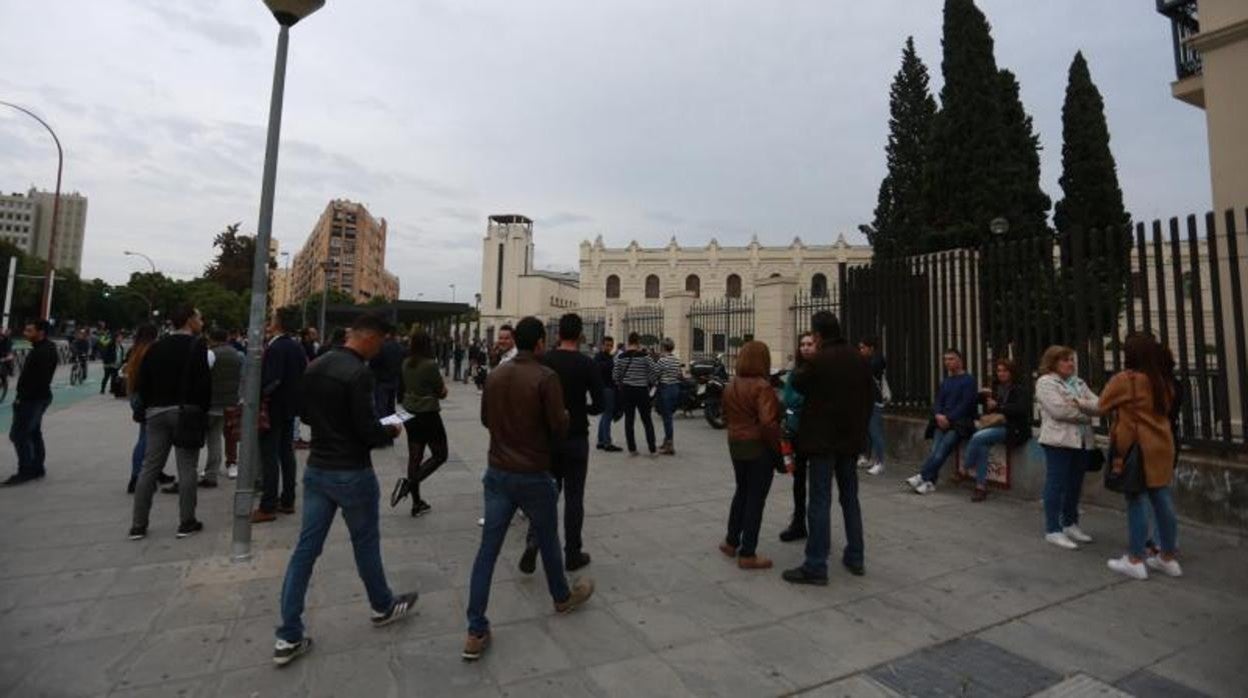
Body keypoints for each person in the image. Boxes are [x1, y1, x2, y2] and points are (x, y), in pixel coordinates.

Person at [272, 313, 419, 667]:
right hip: (351, 471)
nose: (382, 349)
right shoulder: (359, 373)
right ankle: (382, 605)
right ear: (369, 338)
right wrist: (391, 431)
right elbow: (366, 430)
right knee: (365, 543)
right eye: (381, 342)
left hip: (318, 469)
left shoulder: (316, 364)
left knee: (305, 551)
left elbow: (304, 415)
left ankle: (288, 635)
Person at [464, 316, 594, 661]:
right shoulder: (544, 377)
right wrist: (562, 418)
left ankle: (475, 630)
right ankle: (561, 597)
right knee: (548, 538)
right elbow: (558, 427)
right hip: (533, 472)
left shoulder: (495, 375)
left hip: (497, 471)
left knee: (487, 552)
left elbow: (485, 419)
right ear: (539, 343)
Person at [782, 312, 873, 585]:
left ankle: (816, 565)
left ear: (818, 335)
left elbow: (796, 382)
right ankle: (856, 556)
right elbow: (868, 398)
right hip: (850, 441)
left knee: (820, 501)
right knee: (850, 499)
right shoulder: (859, 358)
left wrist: (809, 358)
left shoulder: (818, 360)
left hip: (822, 441)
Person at [519, 313, 604, 575]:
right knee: (574, 497)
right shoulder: (587, 364)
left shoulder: (545, 360)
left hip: (549, 437)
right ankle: (573, 553)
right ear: (580, 336)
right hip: (576, 436)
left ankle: (534, 540)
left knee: (546, 494)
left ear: (557, 335)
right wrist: (584, 410)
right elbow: (600, 403)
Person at [1101, 334, 1182, 580]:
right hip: (1163, 444)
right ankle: (1168, 557)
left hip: (1137, 447)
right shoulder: (1162, 380)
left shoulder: (1126, 379)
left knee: (1136, 498)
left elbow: (1102, 404)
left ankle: (1135, 558)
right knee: (1162, 499)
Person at [128, 306, 211, 539]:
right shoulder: (197, 346)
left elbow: (144, 382)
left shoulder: (155, 347)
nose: (201, 321)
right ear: (188, 321)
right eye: (198, 317)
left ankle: (138, 525)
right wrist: (201, 412)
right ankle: (187, 521)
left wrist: (146, 409)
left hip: (155, 411)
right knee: (187, 468)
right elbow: (204, 384)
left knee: (149, 467)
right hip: (185, 413)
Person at [718, 341, 783, 570]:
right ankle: (748, 552)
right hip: (757, 446)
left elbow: (724, 416)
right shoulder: (762, 386)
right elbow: (768, 423)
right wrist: (778, 449)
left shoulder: (731, 384)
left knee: (742, 491)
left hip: (735, 443)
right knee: (756, 497)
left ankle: (731, 541)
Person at [1034, 345, 1100, 550]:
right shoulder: (1046, 382)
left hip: (1081, 440)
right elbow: (1059, 411)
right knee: (1056, 483)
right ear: (1053, 362)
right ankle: (1053, 529)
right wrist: (1086, 415)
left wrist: (1077, 402)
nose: (1070, 363)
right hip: (1058, 440)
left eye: (1071, 360)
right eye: (1065, 360)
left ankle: (1070, 523)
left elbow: (1099, 404)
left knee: (1075, 483)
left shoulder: (1078, 383)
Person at [252, 309, 307, 523]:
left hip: (272, 408)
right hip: (289, 408)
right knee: (286, 453)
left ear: (279, 323)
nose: (269, 321)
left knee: (269, 456)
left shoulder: (276, 347)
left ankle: (268, 505)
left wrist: (259, 395)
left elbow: (273, 380)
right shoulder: (296, 347)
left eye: (273, 318)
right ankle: (288, 500)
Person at [392, 326, 448, 518]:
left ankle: (417, 503)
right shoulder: (430, 365)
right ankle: (409, 483)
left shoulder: (406, 363)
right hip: (428, 415)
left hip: (410, 414)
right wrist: (441, 391)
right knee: (440, 455)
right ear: (427, 344)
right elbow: (441, 392)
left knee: (414, 457)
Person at [907, 349, 977, 494]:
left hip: (958, 424)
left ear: (960, 360)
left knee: (942, 450)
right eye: (945, 359)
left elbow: (966, 404)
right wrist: (939, 415)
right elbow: (938, 400)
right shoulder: (946, 381)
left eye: (951, 359)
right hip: (941, 422)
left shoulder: (969, 380)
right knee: (934, 451)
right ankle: (930, 482)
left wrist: (949, 418)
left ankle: (922, 476)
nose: (947, 362)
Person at [3, 320, 58, 486]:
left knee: (20, 435)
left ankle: (26, 470)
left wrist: (22, 397)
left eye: (29, 330)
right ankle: (37, 467)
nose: (26, 333)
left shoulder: (42, 352)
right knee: (33, 433)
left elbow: (36, 380)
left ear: (40, 332)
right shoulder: (46, 348)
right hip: (38, 397)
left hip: (32, 399)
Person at [779, 331, 817, 542]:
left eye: (810, 344)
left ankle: (816, 525)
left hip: (817, 434)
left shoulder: (821, 370)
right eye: (802, 344)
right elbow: (789, 398)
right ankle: (798, 521)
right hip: (796, 432)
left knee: (818, 483)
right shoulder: (796, 372)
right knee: (798, 480)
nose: (805, 347)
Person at [202, 329, 243, 487]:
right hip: (231, 401)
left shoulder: (210, 354)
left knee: (213, 438)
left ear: (211, 339)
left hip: (213, 402)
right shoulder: (237, 354)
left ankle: (211, 470)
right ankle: (231, 463)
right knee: (230, 435)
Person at [123, 324, 160, 493]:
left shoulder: (135, 351)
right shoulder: (151, 351)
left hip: (136, 395)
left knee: (145, 436)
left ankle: (150, 473)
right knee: (146, 440)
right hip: (147, 397)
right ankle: (137, 477)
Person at [613, 332, 658, 456]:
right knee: (647, 420)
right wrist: (650, 382)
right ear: (638, 342)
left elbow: (615, 375)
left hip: (627, 390)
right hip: (641, 390)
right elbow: (653, 372)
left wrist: (621, 383)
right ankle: (652, 449)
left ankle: (632, 449)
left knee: (629, 420)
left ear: (628, 341)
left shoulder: (620, 357)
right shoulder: (645, 356)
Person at [858, 337, 887, 476]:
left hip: (875, 400)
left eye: (863, 347)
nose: (861, 350)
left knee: (875, 432)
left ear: (871, 348)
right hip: (866, 400)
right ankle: (868, 457)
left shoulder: (877, 361)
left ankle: (880, 462)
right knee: (868, 431)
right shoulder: (868, 361)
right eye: (860, 348)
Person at [654, 338, 683, 455]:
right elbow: (679, 374)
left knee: (667, 418)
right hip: (675, 388)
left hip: (665, 388)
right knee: (668, 415)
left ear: (663, 347)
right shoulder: (676, 360)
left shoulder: (662, 360)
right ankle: (667, 441)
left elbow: (656, 374)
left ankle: (669, 445)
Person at [593, 337, 621, 452]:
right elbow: (599, 369)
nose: (609, 347)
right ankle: (607, 442)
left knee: (605, 415)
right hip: (606, 388)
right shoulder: (599, 357)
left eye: (611, 345)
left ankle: (600, 440)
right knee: (607, 415)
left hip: (608, 387)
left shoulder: (609, 357)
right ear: (602, 345)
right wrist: (611, 363)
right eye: (607, 345)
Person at [369, 330, 405, 417]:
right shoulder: (400, 347)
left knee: (381, 407)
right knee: (391, 406)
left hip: (382, 380)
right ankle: (391, 425)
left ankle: (383, 427)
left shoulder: (381, 347)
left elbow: (373, 363)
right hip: (394, 380)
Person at [96, 329, 121, 395]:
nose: (121, 338)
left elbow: (119, 354)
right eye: (119, 337)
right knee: (107, 376)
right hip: (109, 363)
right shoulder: (111, 344)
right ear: (116, 338)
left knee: (114, 377)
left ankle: (112, 389)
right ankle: (102, 389)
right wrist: (110, 361)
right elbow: (107, 353)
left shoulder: (119, 345)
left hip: (115, 363)